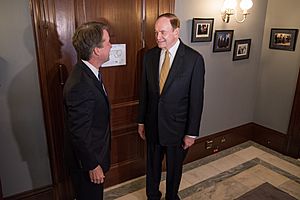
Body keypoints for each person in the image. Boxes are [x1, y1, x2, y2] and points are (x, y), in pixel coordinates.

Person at [138, 13, 205, 200]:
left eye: (162, 32)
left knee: (174, 171)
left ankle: (171, 197)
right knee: (152, 168)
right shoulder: (149, 57)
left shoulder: (194, 60)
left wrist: (191, 133)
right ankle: (152, 196)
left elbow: (196, 100)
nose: (158, 37)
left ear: (176, 32)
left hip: (178, 129)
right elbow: (144, 92)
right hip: (152, 126)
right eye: (155, 32)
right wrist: (141, 121)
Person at [63, 21, 112, 200]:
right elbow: (79, 132)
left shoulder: (90, 73)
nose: (111, 45)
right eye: (107, 41)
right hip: (87, 163)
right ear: (96, 50)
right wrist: (93, 165)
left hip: (93, 156)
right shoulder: (81, 84)